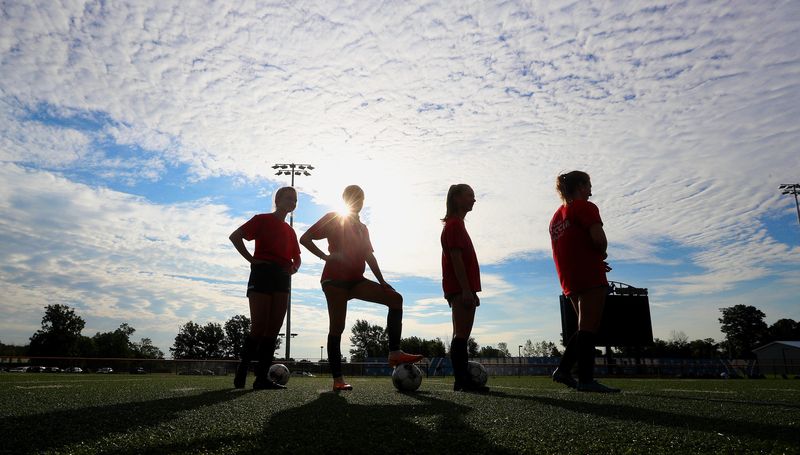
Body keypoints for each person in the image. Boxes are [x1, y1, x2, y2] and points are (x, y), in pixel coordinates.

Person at [300, 185, 422, 391]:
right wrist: (326, 257)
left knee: (395, 298)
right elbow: (305, 238)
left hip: (356, 280)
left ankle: (394, 352)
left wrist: (382, 281)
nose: (358, 201)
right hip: (335, 280)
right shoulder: (333, 218)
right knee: (337, 327)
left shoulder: (363, 228)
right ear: (345, 199)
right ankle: (338, 379)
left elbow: (369, 255)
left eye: (361, 198)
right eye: (353, 197)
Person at [549, 171, 620, 393]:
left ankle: (564, 369)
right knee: (589, 327)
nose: (591, 191)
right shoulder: (585, 207)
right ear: (580, 186)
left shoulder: (555, 218)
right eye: (589, 185)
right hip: (589, 275)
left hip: (569, 278)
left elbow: (570, 247)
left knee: (583, 326)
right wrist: (601, 254)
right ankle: (586, 379)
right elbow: (598, 238)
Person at [229, 186, 301, 390]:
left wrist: (293, 269)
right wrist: (252, 260)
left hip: (282, 278)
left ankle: (261, 378)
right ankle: (241, 372)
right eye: (288, 198)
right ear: (277, 200)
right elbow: (235, 236)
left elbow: (297, 258)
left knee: (274, 328)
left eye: (295, 200)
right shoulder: (261, 219)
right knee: (259, 326)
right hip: (262, 273)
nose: (292, 202)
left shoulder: (290, 231)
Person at [441, 184, 488, 393]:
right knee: (460, 334)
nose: (474, 200)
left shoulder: (456, 225)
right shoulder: (454, 225)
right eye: (470, 195)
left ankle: (462, 380)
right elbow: (456, 259)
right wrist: (466, 290)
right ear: (457, 198)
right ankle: (462, 381)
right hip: (460, 289)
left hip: (461, 288)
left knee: (461, 335)